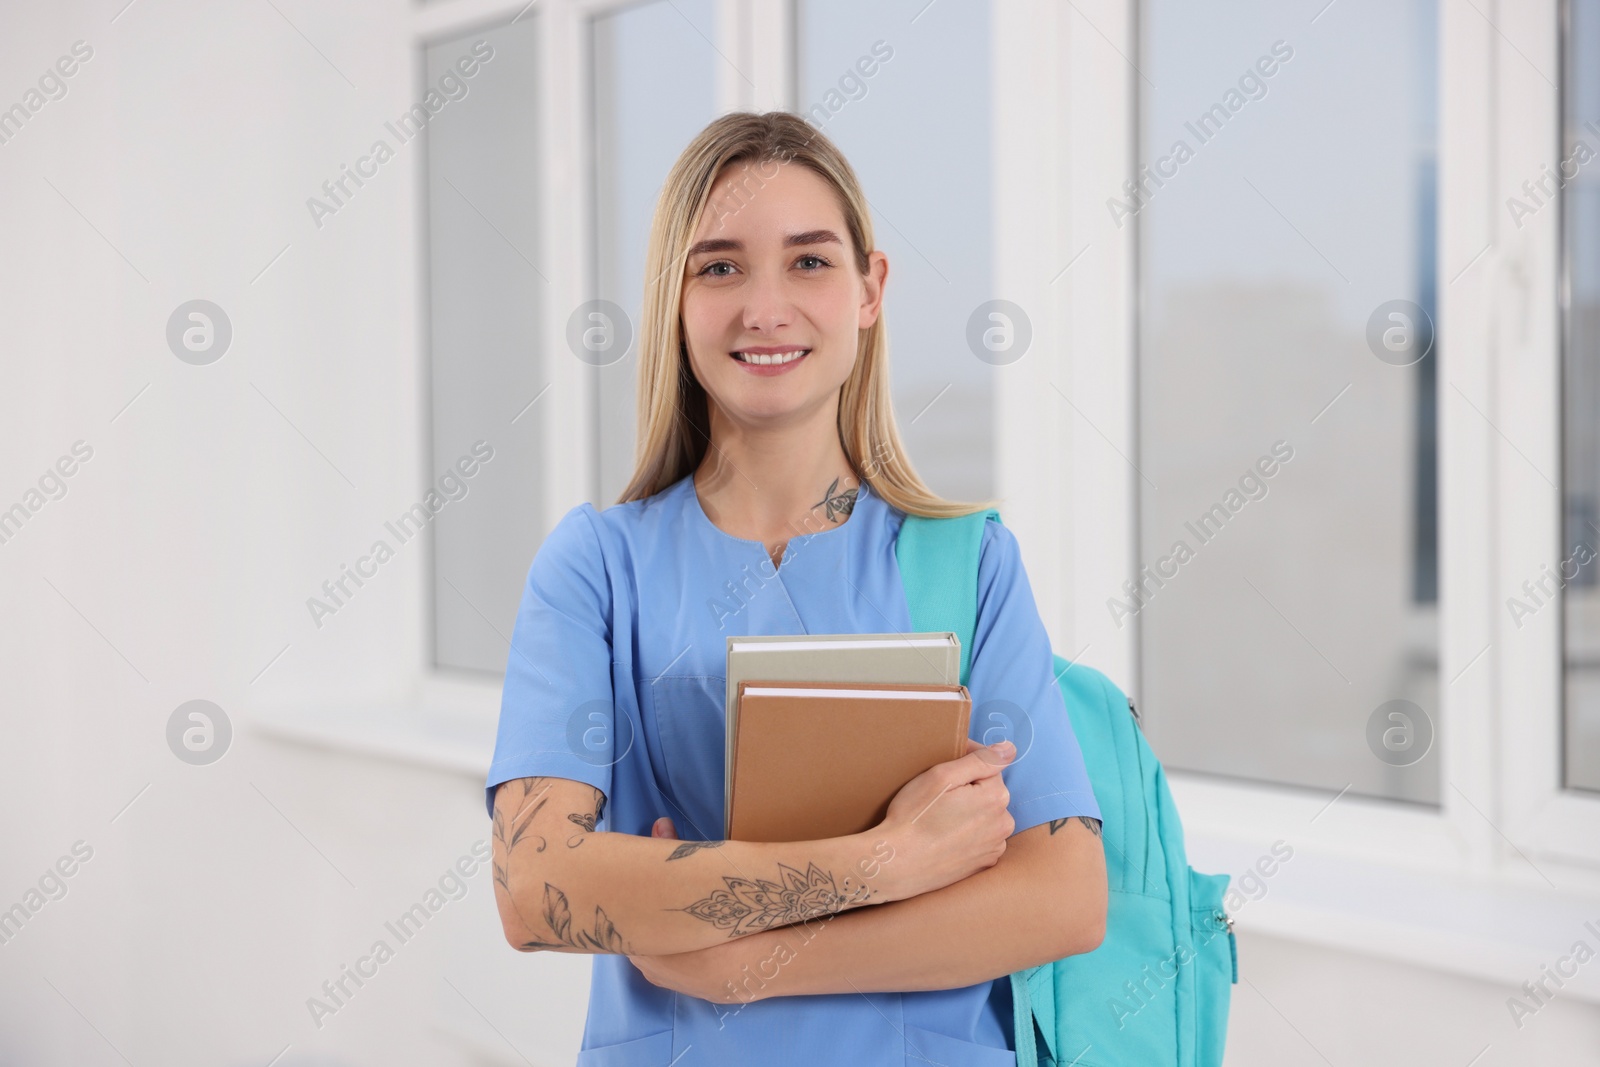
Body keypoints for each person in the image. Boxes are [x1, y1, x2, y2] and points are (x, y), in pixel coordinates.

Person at [484, 109, 1106, 1066]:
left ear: (870, 289)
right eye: (720, 266)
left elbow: (1064, 896)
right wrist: (883, 862)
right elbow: (534, 889)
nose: (764, 307)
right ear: (674, 299)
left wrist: (746, 961)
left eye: (810, 262)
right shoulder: (598, 567)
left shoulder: (967, 563)